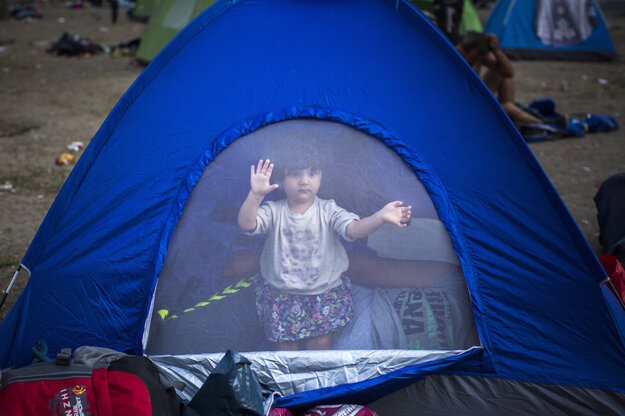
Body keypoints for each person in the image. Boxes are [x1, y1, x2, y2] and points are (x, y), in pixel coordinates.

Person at [237, 152, 412, 351]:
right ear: (281, 179)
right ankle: (288, 383)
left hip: (323, 294)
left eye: (312, 173)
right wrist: (256, 195)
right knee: (285, 349)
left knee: (319, 347)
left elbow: (354, 230)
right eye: (295, 174)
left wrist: (380, 216)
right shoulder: (274, 211)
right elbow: (247, 225)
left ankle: (319, 383)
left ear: (321, 176)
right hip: (282, 295)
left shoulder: (328, 210)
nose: (304, 181)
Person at [456, 32, 542, 125]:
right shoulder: (453, 58)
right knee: (508, 108)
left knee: (499, 72)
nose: (476, 63)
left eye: (479, 59)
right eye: (473, 58)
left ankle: (510, 115)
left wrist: (497, 51)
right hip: (464, 107)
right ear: (462, 50)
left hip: (474, 99)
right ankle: (541, 124)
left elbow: (508, 73)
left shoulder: (477, 54)